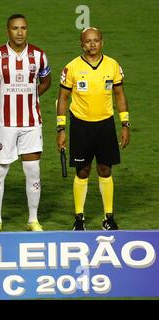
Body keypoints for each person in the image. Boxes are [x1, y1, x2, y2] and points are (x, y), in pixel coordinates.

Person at [57, 27, 130, 231]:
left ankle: (109, 217)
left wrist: (125, 124)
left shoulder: (113, 66)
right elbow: (62, 98)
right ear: (82, 44)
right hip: (80, 125)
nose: (92, 44)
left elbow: (120, 95)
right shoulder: (71, 67)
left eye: (96, 40)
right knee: (83, 170)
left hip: (105, 124)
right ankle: (79, 218)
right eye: (88, 41)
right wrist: (60, 128)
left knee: (105, 169)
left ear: (102, 42)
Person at [0, 14, 51, 232]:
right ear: (8, 30)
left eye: (23, 28)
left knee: (33, 170)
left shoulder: (39, 55)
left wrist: (33, 95)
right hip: (4, 122)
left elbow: (46, 80)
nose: (20, 32)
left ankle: (33, 219)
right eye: (15, 28)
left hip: (31, 122)